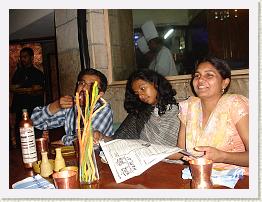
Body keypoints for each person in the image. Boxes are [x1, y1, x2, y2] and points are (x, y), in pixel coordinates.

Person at [171, 56, 249, 174]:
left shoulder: (235, 104)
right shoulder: (189, 107)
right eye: (197, 75)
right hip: (200, 176)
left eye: (209, 75)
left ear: (224, 83)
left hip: (237, 180)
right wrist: (150, 153)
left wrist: (222, 156)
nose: (200, 80)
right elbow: (180, 151)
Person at [31, 68, 113, 146]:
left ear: (100, 94)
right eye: (82, 83)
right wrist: (56, 105)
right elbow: (34, 122)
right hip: (73, 156)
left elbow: (88, 140)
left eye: (92, 86)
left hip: (97, 158)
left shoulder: (103, 108)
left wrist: (63, 140)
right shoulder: (72, 104)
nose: (84, 88)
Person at [113, 69, 180, 146]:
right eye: (137, 93)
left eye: (143, 89)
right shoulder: (140, 112)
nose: (140, 96)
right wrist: (102, 136)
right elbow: (119, 138)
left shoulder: (175, 111)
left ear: (155, 84)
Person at [10, 47, 45, 147]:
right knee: (21, 135)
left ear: (31, 57)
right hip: (20, 109)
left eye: (25, 57)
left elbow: (37, 90)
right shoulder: (18, 73)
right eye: (21, 57)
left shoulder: (37, 73)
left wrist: (20, 88)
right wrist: (28, 89)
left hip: (34, 110)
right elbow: (12, 88)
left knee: (35, 134)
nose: (23, 59)